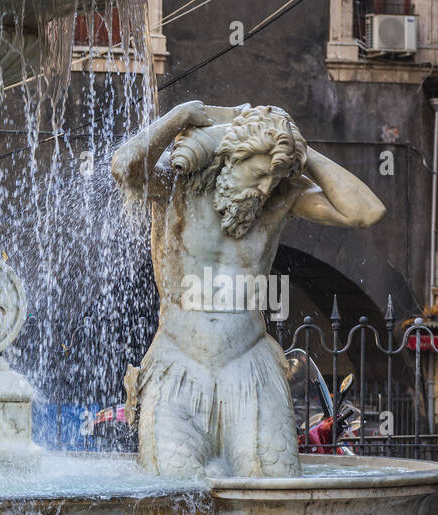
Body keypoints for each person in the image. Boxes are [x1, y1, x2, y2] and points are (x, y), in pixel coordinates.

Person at [111, 102, 385, 477]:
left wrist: (300, 147)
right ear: (231, 156)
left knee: (275, 487)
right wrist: (181, 115)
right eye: (258, 174)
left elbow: (365, 211)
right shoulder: (176, 184)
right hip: (179, 363)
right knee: (172, 494)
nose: (263, 188)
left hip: (251, 364)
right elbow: (123, 169)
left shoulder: (279, 196)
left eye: (273, 179)